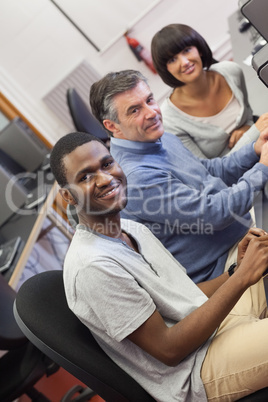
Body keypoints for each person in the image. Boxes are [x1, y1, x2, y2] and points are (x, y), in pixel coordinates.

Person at [50, 131, 268, 402]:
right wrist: (243, 278)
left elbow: (183, 295)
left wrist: (237, 269)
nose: (105, 178)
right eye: (85, 177)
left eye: (107, 164)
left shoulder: (130, 227)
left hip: (211, 329)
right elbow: (169, 349)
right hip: (195, 371)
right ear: (68, 197)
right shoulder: (92, 267)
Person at [88, 69, 268, 284]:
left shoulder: (154, 136)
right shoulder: (136, 178)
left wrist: (255, 150)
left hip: (243, 229)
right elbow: (215, 214)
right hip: (227, 265)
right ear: (112, 126)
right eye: (135, 110)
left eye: (149, 100)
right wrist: (263, 167)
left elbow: (209, 172)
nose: (152, 112)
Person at [150, 23, 268, 158]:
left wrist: (247, 128)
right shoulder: (170, 120)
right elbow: (209, 174)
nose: (184, 62)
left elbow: (248, 116)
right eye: (173, 60)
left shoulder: (231, 71)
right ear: (166, 69)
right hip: (244, 177)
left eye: (187, 50)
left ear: (199, 49)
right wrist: (252, 134)